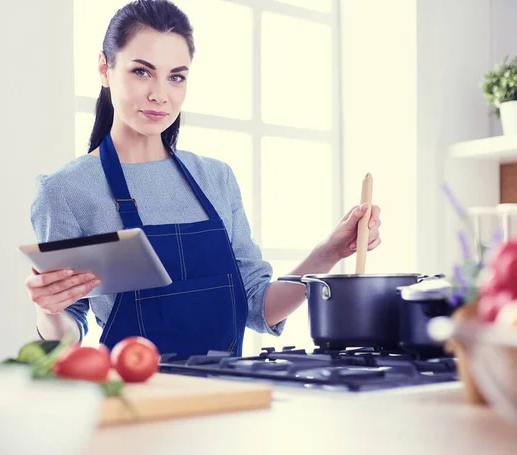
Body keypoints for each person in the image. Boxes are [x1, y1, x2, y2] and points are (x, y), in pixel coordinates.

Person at [25, 0, 381, 360]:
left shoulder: (216, 178)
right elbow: (65, 337)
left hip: (229, 398)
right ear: (105, 68)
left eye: (176, 77)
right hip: (135, 401)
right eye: (142, 72)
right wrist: (50, 309)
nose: (160, 95)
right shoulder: (66, 191)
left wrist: (330, 253)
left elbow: (258, 306)